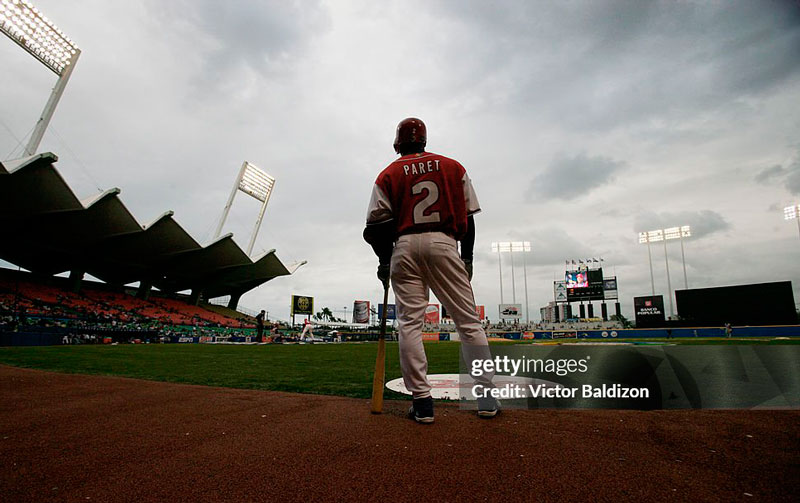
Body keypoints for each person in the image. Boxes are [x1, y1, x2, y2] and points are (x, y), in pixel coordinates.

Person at [363, 117, 496, 424]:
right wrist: (469, 257)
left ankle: (422, 403)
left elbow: (373, 229)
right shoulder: (453, 166)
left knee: (410, 323)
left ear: (398, 144)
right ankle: (486, 398)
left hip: (405, 246)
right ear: (424, 140)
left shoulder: (387, 173)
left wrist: (384, 259)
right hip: (444, 242)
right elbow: (469, 217)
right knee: (468, 323)